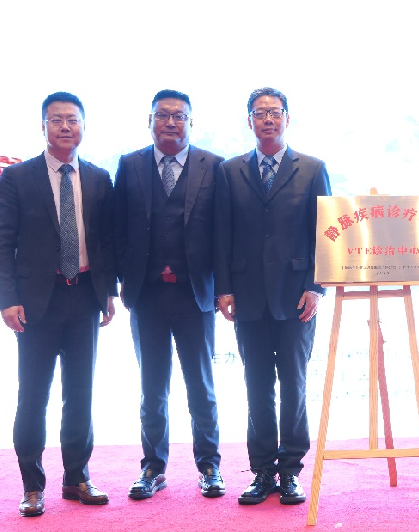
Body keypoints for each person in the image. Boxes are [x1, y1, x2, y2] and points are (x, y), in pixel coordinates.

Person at [0, 91, 117, 517]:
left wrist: (108, 292)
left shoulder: (98, 178)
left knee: (80, 395)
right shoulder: (17, 178)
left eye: (73, 119)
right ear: (43, 126)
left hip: (84, 297)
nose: (66, 126)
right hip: (35, 304)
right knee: (33, 396)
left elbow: (105, 242)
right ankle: (32, 486)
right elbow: (2, 244)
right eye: (57, 119)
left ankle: (76, 477)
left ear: (83, 126)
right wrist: (7, 300)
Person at [214, 87, 331, 506]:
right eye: (260, 113)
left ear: (287, 118)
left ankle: (291, 471)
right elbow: (221, 233)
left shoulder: (312, 169)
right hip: (247, 296)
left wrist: (315, 286)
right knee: (257, 385)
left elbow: (325, 232)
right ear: (249, 121)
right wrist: (223, 288)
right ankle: (263, 471)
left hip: (297, 296)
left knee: (294, 386)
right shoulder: (229, 171)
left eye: (275, 112)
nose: (268, 119)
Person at [113, 90, 225, 500]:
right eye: (163, 115)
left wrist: (224, 288)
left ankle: (209, 466)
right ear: (150, 121)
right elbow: (116, 229)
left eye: (179, 116)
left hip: (196, 296)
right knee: (152, 389)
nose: (171, 122)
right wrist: (118, 282)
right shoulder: (130, 165)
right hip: (147, 297)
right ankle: (152, 467)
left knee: (201, 387)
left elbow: (223, 233)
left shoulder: (213, 165)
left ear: (191, 123)